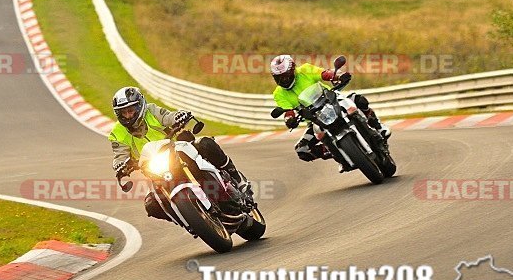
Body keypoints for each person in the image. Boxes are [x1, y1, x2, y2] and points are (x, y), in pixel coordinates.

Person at [109, 86, 246, 221]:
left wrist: (179, 116)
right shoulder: (117, 133)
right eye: (123, 112)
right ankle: (188, 220)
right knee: (151, 204)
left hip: (176, 151)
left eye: (131, 110)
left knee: (205, 144)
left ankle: (237, 178)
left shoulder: (151, 111)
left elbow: (168, 117)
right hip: (155, 170)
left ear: (139, 106)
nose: (128, 115)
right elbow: (119, 155)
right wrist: (120, 165)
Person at [269, 55, 390, 164]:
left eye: (285, 76)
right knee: (302, 149)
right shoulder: (278, 93)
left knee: (358, 100)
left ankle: (379, 127)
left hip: (332, 102)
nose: (282, 81)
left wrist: (338, 76)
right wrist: (290, 119)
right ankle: (337, 152)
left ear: (293, 70)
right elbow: (287, 110)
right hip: (314, 120)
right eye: (278, 78)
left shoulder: (305, 70)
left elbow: (323, 74)